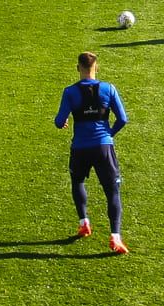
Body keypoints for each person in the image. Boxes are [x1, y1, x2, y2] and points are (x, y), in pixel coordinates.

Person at [53, 51, 129, 254]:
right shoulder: (108, 89)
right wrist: (108, 134)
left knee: (77, 182)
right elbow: (123, 119)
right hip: (104, 146)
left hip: (80, 147)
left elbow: (59, 121)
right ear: (97, 68)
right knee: (112, 191)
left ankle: (84, 222)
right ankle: (115, 237)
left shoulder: (70, 92)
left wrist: (64, 122)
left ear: (78, 68)